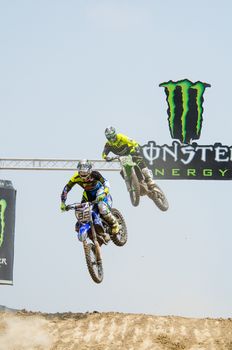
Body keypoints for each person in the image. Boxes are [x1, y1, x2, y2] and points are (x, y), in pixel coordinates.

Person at [60, 159, 119, 240]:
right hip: (88, 194)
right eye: (81, 173)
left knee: (101, 207)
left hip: (99, 191)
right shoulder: (75, 177)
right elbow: (67, 188)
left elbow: (106, 182)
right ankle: (92, 232)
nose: (83, 176)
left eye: (85, 173)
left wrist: (105, 192)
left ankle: (114, 224)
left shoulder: (95, 174)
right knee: (82, 211)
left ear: (89, 171)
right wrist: (63, 202)